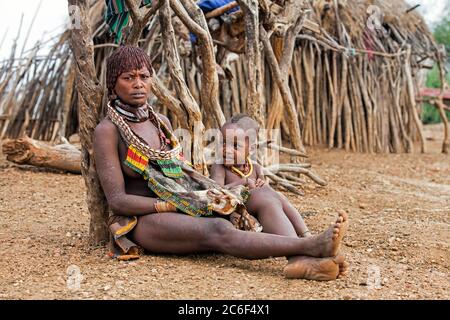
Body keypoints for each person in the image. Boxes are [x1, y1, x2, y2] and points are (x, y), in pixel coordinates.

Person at [93, 46, 349, 280]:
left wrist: (206, 194)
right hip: (144, 220)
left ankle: (299, 261)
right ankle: (311, 246)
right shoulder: (108, 130)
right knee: (218, 227)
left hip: (183, 199)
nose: (138, 84)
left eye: (144, 76)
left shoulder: (161, 122)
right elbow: (117, 200)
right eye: (128, 78)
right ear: (113, 84)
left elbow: (179, 172)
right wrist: (173, 204)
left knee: (261, 194)